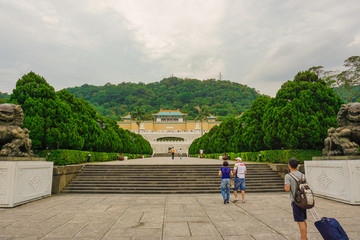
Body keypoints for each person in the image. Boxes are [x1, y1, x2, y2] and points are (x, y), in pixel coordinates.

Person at [284, 158, 307, 240]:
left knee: (300, 220)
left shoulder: (288, 176)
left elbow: (287, 189)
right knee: (303, 219)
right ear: (297, 166)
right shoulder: (303, 175)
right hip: (304, 200)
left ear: (289, 166)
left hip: (296, 201)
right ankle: (304, 237)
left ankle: (304, 238)